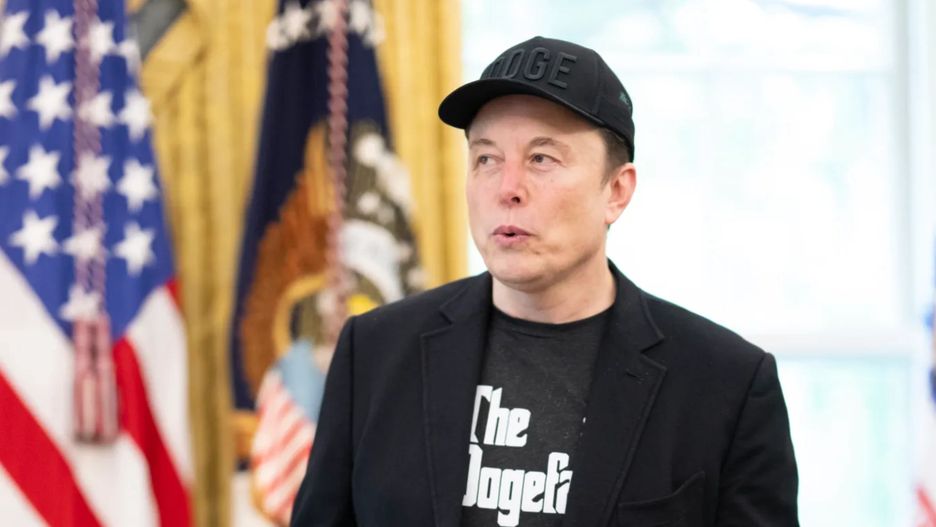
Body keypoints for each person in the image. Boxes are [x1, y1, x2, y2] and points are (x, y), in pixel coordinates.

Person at [291, 36, 798, 527]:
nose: (507, 188)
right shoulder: (374, 352)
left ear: (616, 191)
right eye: (486, 159)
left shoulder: (726, 385)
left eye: (542, 158)